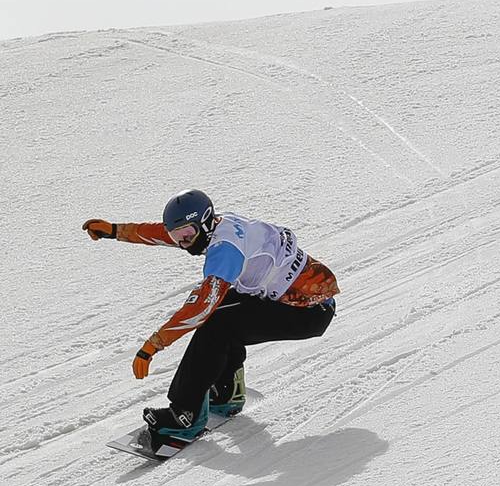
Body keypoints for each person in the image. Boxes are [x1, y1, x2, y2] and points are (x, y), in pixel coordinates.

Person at [82, 189, 339, 448]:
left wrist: (153, 345)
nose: (182, 243)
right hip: (301, 299)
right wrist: (116, 231)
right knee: (225, 313)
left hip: (309, 312)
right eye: (177, 236)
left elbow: (198, 310)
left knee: (216, 324)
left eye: (186, 236)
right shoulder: (213, 226)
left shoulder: (226, 251)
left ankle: (185, 417)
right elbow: (163, 232)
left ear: (204, 222)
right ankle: (227, 391)